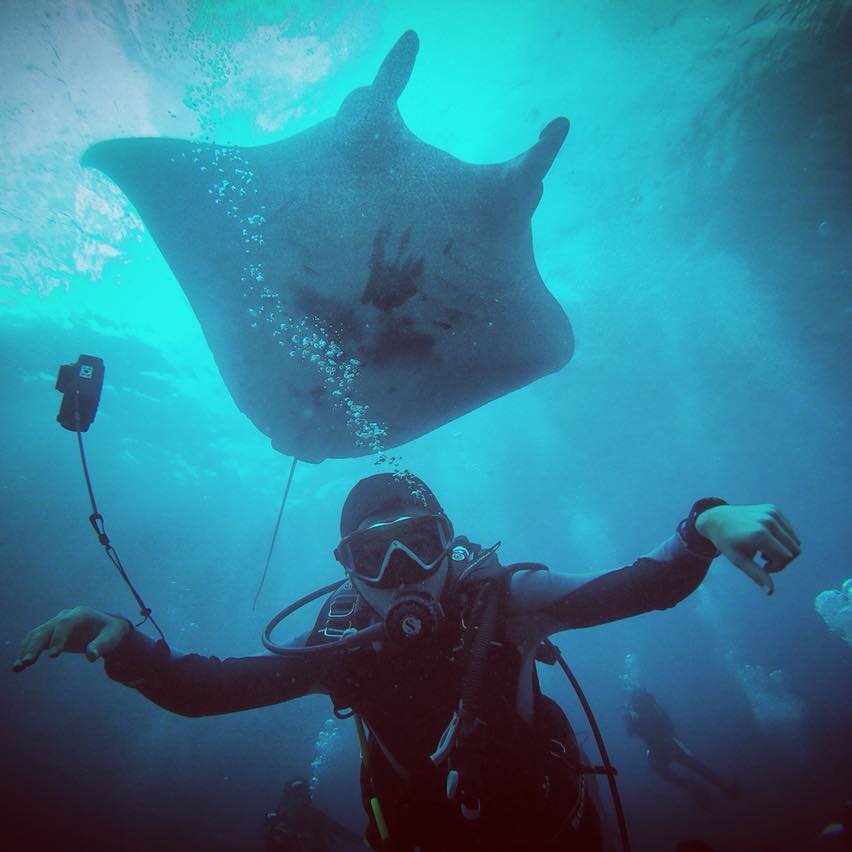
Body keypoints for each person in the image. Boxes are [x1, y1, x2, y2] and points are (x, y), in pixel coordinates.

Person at [13, 473, 801, 851]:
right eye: (374, 554)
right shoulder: (341, 648)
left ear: (449, 543)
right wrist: (118, 639)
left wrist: (704, 522)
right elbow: (204, 692)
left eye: (418, 543)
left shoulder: (506, 600)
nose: (401, 571)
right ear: (349, 568)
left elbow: (634, 589)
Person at [624, 687, 739, 807]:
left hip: (666, 745)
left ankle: (712, 787)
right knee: (694, 767)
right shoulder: (642, 711)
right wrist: (632, 718)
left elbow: (636, 730)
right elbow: (632, 731)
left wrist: (634, 719)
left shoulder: (651, 708)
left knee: (694, 767)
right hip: (663, 746)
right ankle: (704, 786)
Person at [263, 776, 361, 851]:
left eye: (302, 794)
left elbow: (337, 829)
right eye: (295, 795)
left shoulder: (316, 817)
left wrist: (362, 841)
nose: (299, 800)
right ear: (288, 798)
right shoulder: (278, 821)